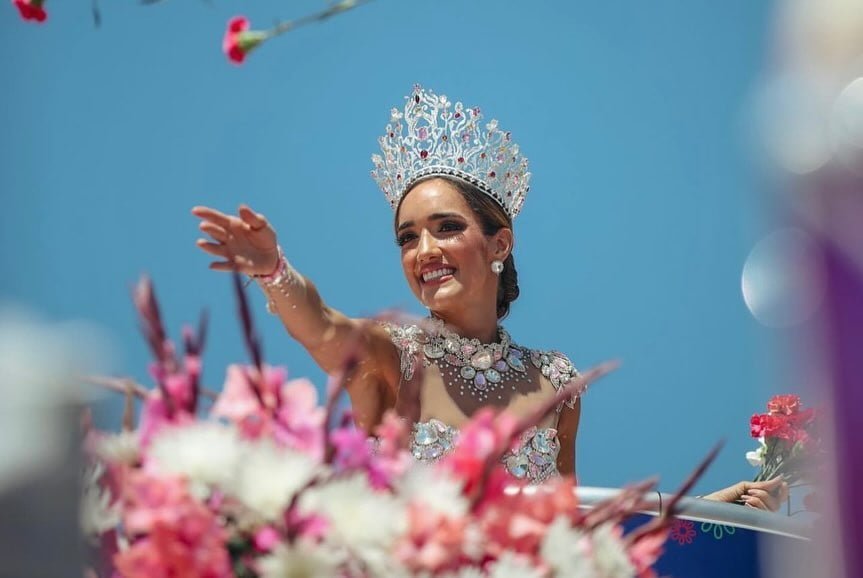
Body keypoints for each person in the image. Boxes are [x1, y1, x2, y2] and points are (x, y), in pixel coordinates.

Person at [192, 85, 787, 507]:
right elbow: (321, 326)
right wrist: (273, 270)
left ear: (499, 242)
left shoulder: (556, 383)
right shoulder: (390, 351)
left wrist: (702, 509)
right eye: (406, 237)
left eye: (446, 227)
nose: (423, 249)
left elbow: (574, 536)